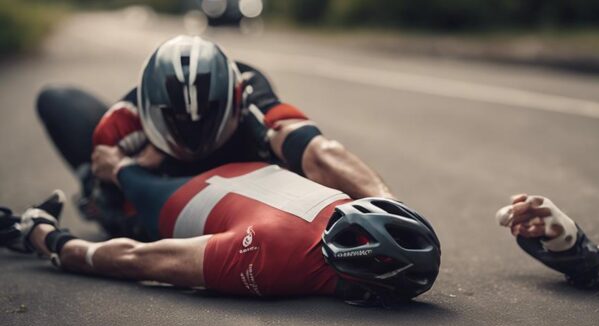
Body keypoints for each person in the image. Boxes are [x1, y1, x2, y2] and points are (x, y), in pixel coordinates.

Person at [36, 35, 393, 239]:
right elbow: (136, 222)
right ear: (151, 111)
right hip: (149, 187)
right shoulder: (121, 123)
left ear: (232, 100)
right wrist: (121, 171)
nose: (193, 136)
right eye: (178, 121)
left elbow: (318, 152)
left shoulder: (251, 95)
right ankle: (91, 181)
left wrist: (392, 210)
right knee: (56, 99)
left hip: (236, 173)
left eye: (205, 120)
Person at [0, 154, 441, 306]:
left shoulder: (346, 203)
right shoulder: (269, 261)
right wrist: (52, 240)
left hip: (209, 175)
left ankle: (45, 216)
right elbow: (140, 260)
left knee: (112, 180)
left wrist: (53, 240)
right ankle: (54, 213)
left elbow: (143, 258)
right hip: (160, 191)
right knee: (107, 185)